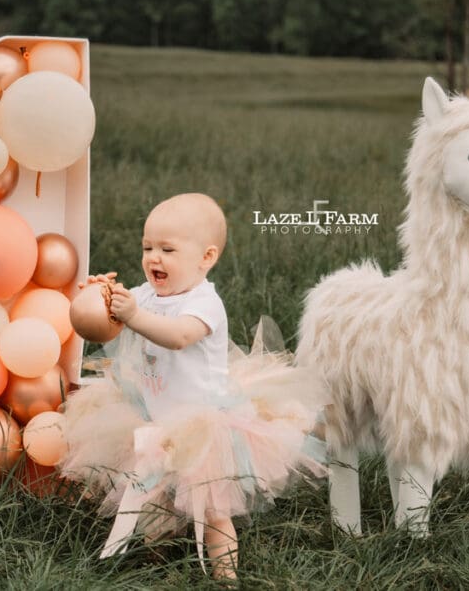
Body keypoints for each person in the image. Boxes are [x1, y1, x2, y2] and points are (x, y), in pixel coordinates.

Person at [60, 193, 326, 580]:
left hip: (205, 425)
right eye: (147, 247)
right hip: (154, 414)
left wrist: (133, 314)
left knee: (214, 508)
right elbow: (106, 326)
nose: (154, 258)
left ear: (206, 257)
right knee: (158, 496)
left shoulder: (205, 303)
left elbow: (178, 337)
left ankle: (226, 574)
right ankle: (157, 557)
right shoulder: (146, 294)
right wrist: (100, 299)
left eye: (167, 249)